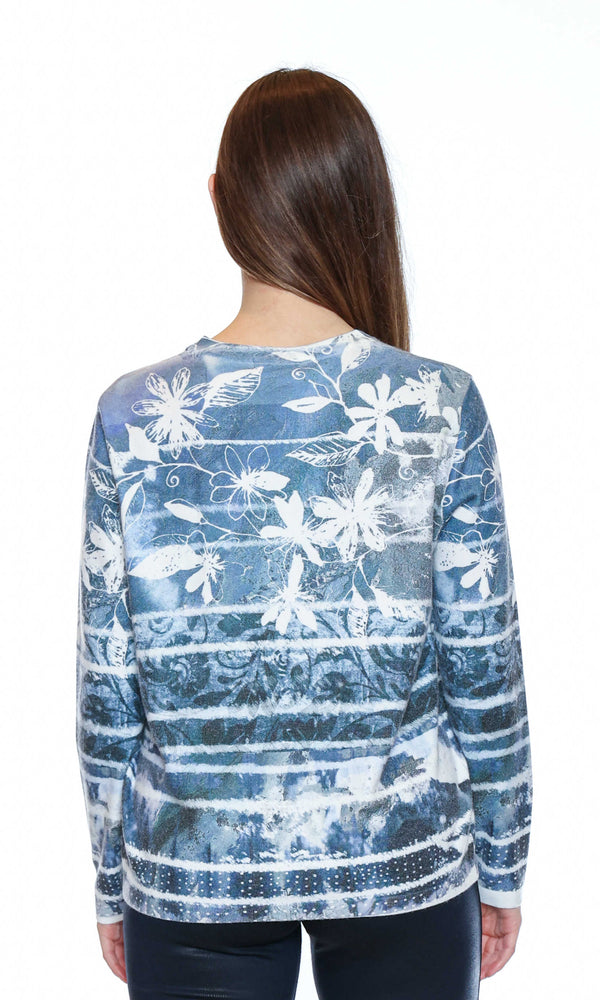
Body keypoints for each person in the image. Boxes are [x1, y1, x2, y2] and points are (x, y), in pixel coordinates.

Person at [76, 67, 533, 1000]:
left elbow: (107, 687)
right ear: (363, 204)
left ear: (220, 200)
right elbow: (484, 662)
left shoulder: (133, 417)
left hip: (192, 872)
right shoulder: (436, 406)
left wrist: (112, 875)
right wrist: (505, 858)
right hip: (404, 861)